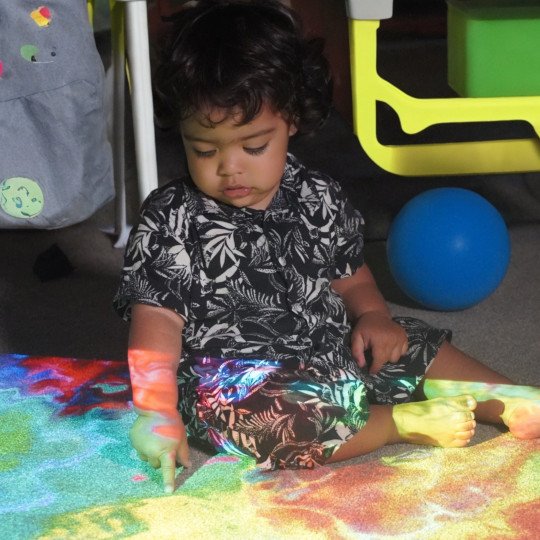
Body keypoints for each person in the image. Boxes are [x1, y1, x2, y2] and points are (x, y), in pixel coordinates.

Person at [114, 0, 539, 494]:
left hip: (330, 347)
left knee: (406, 340)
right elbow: (156, 321)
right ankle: (396, 423)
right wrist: (157, 411)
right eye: (204, 149)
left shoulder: (316, 193)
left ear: (291, 120)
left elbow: (351, 276)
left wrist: (373, 315)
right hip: (239, 382)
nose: (229, 168)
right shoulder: (170, 216)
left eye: (254, 146)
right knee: (263, 422)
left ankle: (508, 398)